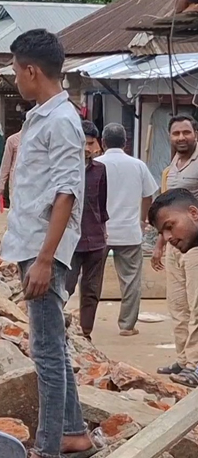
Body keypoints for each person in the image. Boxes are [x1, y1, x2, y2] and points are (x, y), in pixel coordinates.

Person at [1, 29, 91, 458]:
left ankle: (49, 446)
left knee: (47, 351)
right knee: (51, 344)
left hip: (43, 250)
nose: (15, 80)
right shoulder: (42, 115)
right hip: (32, 244)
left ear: (32, 71)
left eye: (17, 72)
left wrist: (44, 259)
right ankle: (73, 430)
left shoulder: (61, 121)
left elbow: (66, 192)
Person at [93, 123, 156, 337]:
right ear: (126, 143)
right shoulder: (138, 165)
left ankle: (86, 324)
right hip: (129, 231)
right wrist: (142, 219)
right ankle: (127, 326)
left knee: (92, 278)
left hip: (99, 231)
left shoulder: (94, 164)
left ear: (102, 142)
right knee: (130, 280)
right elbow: (148, 195)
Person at [153, 115, 198, 384]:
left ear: (195, 135)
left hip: (193, 243)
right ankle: (183, 360)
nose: (181, 137)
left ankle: (195, 364)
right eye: (176, 133)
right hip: (174, 246)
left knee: (196, 306)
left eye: (186, 133)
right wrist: (160, 243)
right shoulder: (172, 166)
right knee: (178, 305)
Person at [64, 120, 109, 340]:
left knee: (91, 291)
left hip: (96, 239)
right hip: (69, 240)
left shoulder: (100, 170)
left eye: (92, 144)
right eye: (85, 143)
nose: (89, 149)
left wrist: (104, 229)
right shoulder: (62, 168)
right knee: (65, 287)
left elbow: (102, 205)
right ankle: (56, 328)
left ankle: (86, 333)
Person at [0, 130, 22, 203]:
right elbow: (5, 164)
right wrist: (1, 185)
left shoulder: (39, 141)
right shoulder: (13, 140)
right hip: (16, 180)